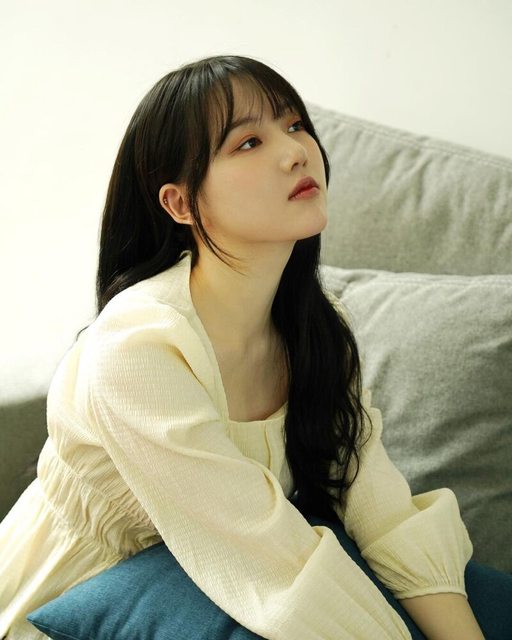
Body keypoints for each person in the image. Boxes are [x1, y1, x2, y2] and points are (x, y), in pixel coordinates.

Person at [0, 54, 504, 639]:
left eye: (294, 125)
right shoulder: (139, 347)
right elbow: (268, 556)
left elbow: (380, 507)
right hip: (69, 608)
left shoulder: (317, 330)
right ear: (180, 204)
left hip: (207, 590)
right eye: (248, 143)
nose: (296, 152)